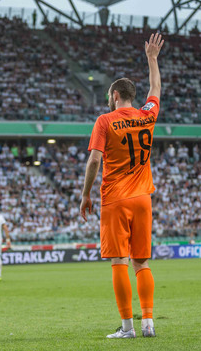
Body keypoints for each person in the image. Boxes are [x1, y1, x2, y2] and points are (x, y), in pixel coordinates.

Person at [79, 33, 164, 338]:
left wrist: (86, 194)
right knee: (142, 261)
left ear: (114, 95)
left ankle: (127, 327)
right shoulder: (146, 116)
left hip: (115, 198)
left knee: (120, 260)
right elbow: (155, 88)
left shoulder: (105, 121)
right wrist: (152, 58)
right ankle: (149, 323)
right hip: (143, 197)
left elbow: (93, 161)